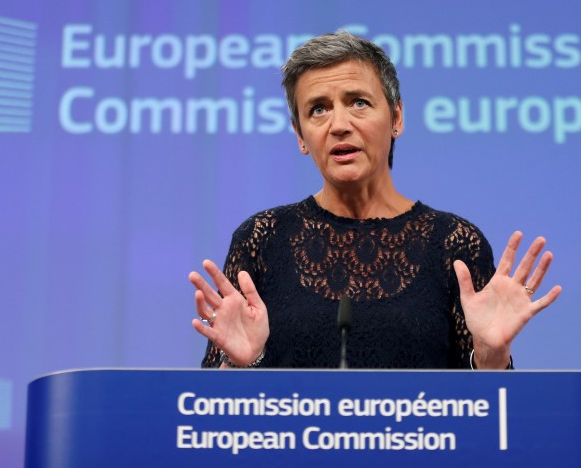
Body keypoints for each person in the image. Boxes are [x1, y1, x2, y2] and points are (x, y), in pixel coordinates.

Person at [189, 31, 561, 370]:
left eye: (358, 103)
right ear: (300, 136)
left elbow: (491, 418)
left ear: (396, 116)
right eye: (318, 109)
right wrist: (240, 365)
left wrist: (492, 354)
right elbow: (211, 412)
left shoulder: (454, 245)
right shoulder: (263, 239)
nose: (338, 124)